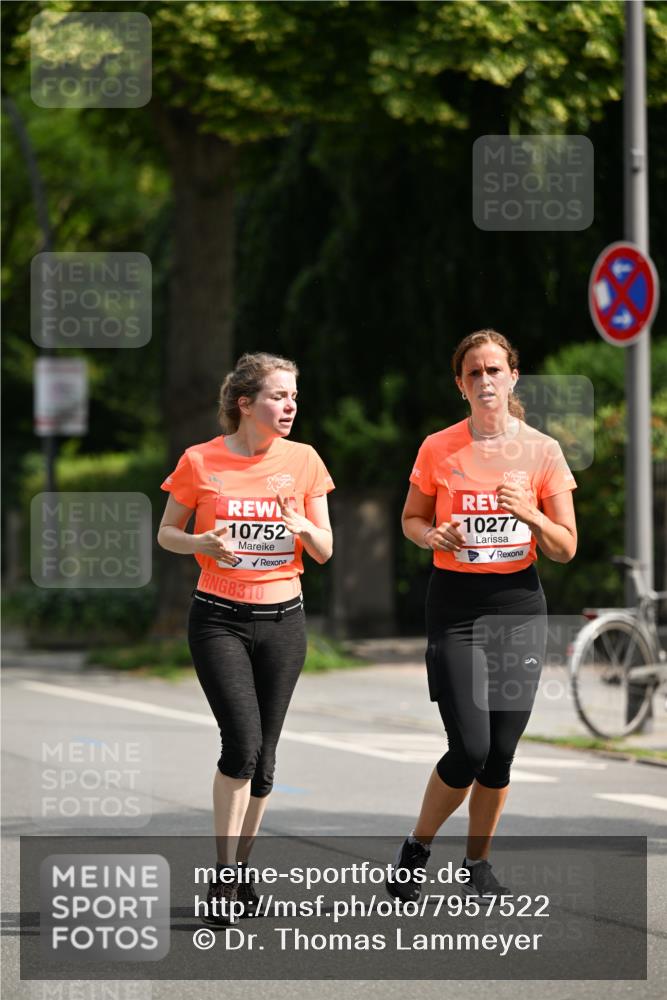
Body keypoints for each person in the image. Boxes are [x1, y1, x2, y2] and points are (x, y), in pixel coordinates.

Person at [386, 328, 577, 901]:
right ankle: (417, 846)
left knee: (500, 753)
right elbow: (411, 519)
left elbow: (566, 546)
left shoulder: (542, 450)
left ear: (513, 377)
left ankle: (477, 864)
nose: (486, 379)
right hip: (457, 608)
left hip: (519, 607)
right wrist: (431, 535)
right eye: (475, 372)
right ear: (461, 385)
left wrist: (531, 515)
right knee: (469, 747)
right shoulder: (438, 447)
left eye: (495, 369)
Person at [157, 352, 334, 925]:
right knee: (241, 746)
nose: (290, 406)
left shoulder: (304, 461)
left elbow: (325, 550)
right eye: (279, 396)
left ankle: (240, 871)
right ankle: (221, 876)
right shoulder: (200, 459)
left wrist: (302, 526)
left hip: (284, 622)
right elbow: (167, 533)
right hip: (219, 619)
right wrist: (200, 543)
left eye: (294, 397)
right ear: (245, 403)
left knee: (265, 760)